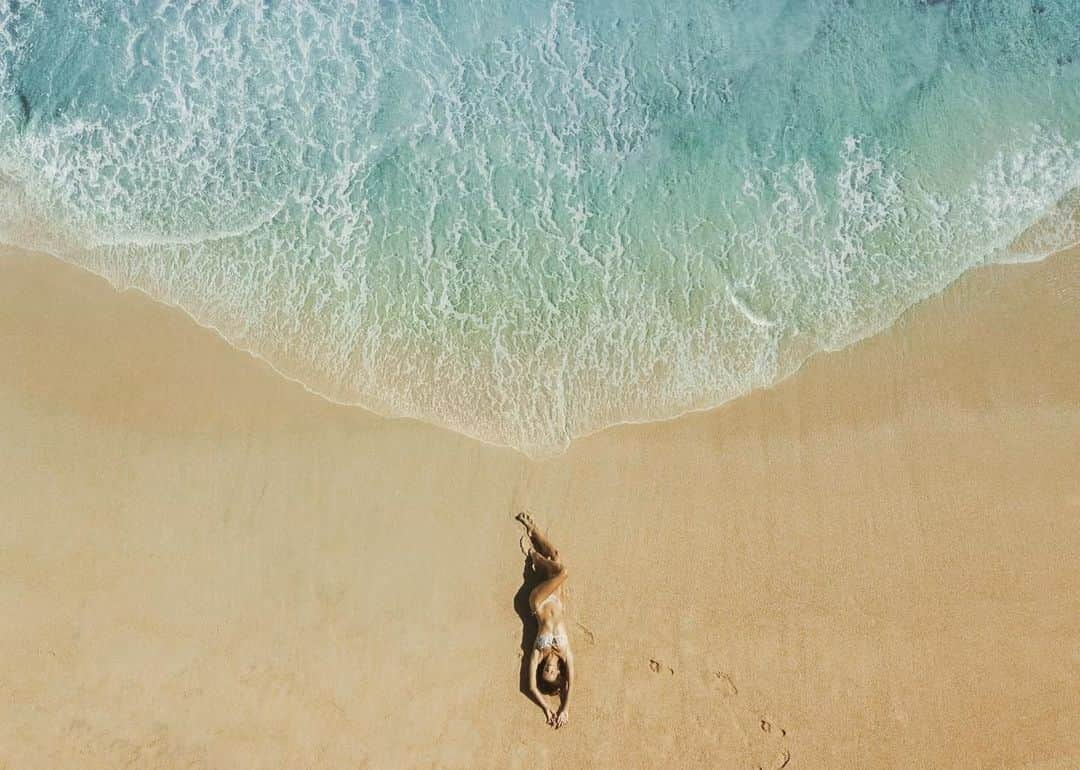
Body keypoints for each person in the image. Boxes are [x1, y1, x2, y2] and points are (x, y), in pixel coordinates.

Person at [515, 511, 575, 729]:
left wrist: (547, 708)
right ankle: (534, 534)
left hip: (538, 602)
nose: (548, 669)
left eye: (545, 672)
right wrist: (564, 707)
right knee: (556, 556)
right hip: (556, 600)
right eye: (552, 672)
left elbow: (530, 686)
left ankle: (536, 558)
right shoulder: (566, 653)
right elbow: (571, 683)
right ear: (559, 671)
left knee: (563, 571)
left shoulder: (538, 654)